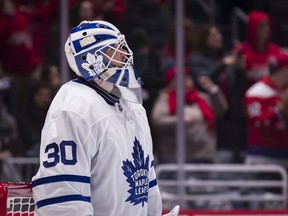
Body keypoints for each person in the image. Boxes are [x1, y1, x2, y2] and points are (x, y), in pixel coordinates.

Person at [31, 20, 162, 216]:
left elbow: (146, 182)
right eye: (114, 49)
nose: (124, 54)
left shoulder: (132, 104)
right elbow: (63, 192)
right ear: (92, 58)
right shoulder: (73, 106)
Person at [151, 67, 227, 164]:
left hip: (205, 155)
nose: (186, 81)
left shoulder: (201, 98)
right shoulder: (165, 99)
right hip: (175, 157)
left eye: (187, 78)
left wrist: (212, 89)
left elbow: (221, 109)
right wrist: (179, 120)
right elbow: (158, 121)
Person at [244, 51, 288, 169]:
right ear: (284, 70)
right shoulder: (256, 92)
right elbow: (258, 124)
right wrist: (281, 108)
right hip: (262, 158)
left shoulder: (284, 91)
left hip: (284, 157)